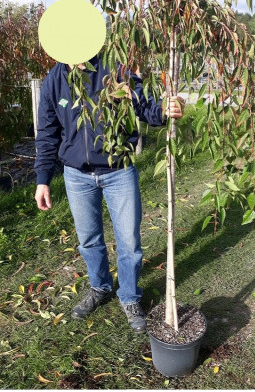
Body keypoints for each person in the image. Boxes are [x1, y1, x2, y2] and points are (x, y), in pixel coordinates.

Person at [34, 54, 184, 333]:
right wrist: (43, 179)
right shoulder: (55, 81)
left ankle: (129, 297)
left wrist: (164, 110)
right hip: (76, 175)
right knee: (89, 240)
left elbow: (144, 108)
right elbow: (47, 133)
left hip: (118, 171)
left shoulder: (114, 68)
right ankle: (100, 288)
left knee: (129, 241)